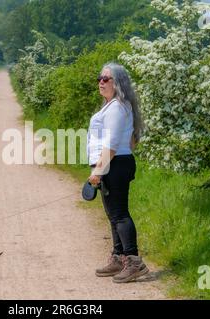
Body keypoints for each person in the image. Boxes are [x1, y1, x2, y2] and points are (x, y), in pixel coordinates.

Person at [87, 62, 148, 283]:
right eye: (99, 78)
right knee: (113, 215)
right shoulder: (114, 106)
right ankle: (119, 257)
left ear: (118, 83)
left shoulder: (117, 108)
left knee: (120, 214)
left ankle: (133, 262)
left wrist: (99, 171)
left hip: (114, 165)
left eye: (106, 79)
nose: (101, 82)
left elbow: (112, 145)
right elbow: (130, 142)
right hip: (115, 164)